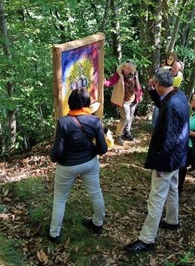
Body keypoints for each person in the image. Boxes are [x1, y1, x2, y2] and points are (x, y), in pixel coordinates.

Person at [125, 68, 189, 253]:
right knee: (173, 188)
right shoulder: (178, 94)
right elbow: (163, 104)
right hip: (178, 156)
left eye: (155, 85)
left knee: (157, 196)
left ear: (161, 84)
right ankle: (172, 220)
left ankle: (147, 239)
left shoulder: (171, 105)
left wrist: (161, 164)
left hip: (168, 158)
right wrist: (153, 92)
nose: (155, 86)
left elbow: (168, 138)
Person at [48, 88, 108, 244]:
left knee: (60, 199)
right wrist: (89, 150)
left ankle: (54, 234)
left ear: (70, 103)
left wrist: (53, 157)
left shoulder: (63, 122)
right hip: (89, 163)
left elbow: (57, 151)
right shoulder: (95, 121)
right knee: (96, 192)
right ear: (87, 103)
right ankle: (98, 223)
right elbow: (103, 149)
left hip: (67, 166)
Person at [105, 60, 143, 145]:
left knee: (130, 117)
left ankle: (126, 133)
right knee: (125, 118)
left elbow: (138, 86)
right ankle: (118, 135)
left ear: (132, 69)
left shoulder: (134, 75)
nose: (126, 69)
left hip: (133, 100)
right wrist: (104, 82)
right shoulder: (119, 74)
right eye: (125, 67)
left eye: (129, 68)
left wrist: (140, 95)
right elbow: (111, 81)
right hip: (123, 101)